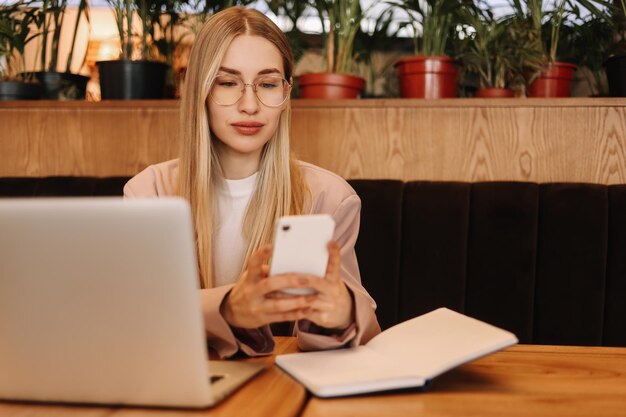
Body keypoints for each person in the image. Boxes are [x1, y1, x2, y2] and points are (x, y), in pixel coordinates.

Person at [124, 6, 380, 358]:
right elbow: (137, 316)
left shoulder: (329, 198)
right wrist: (228, 307)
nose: (249, 105)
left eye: (268, 84)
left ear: (286, 94)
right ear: (200, 90)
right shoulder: (148, 193)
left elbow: (365, 339)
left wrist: (342, 314)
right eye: (228, 83)